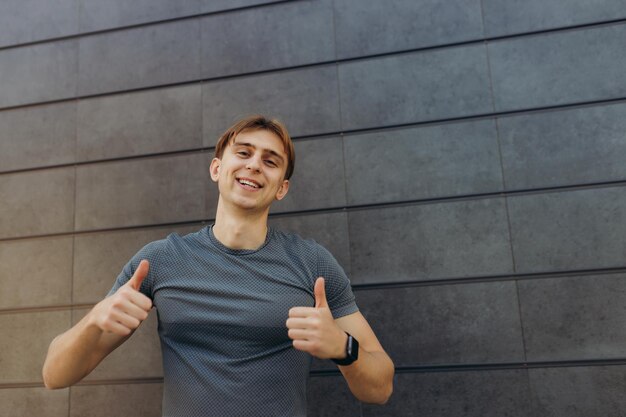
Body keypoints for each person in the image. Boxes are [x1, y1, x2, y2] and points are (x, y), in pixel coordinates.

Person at [43, 115, 394, 416]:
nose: (254, 164)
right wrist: (94, 319)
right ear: (217, 168)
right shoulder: (160, 261)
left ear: (282, 188)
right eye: (243, 153)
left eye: (270, 161)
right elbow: (54, 375)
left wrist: (343, 347)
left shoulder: (312, 263)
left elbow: (380, 388)